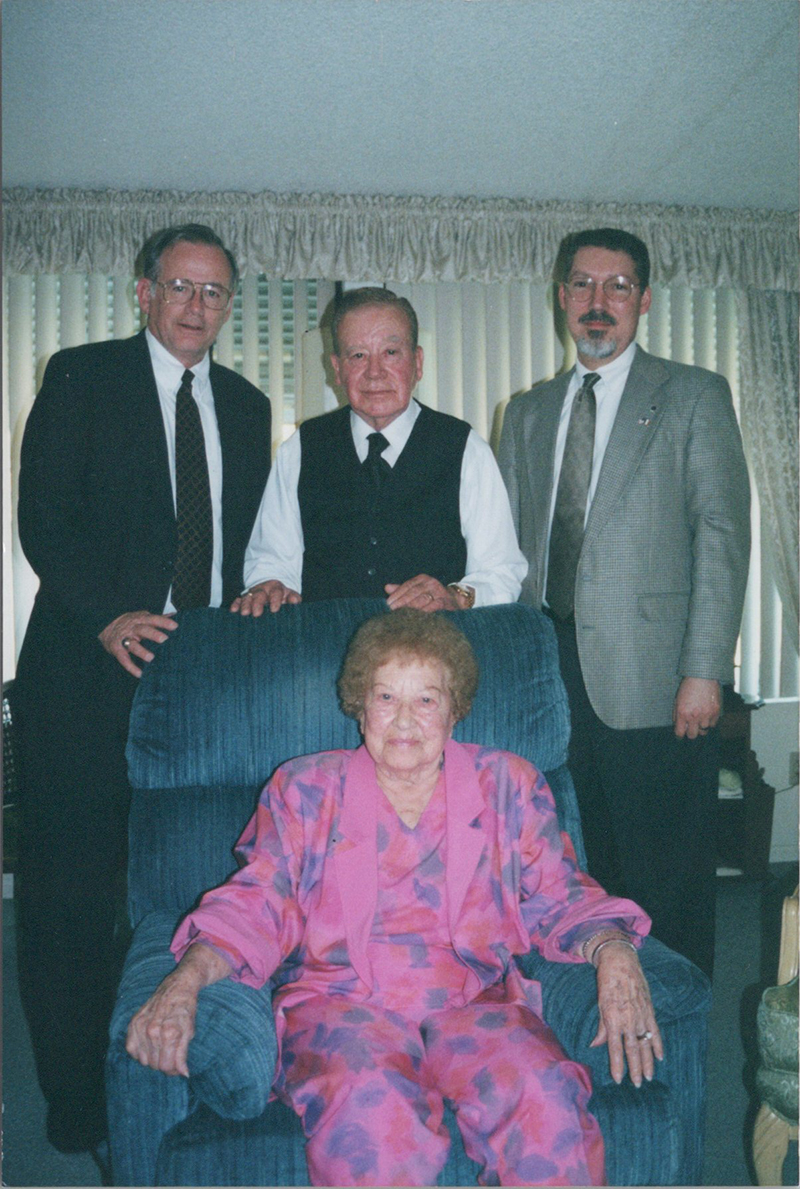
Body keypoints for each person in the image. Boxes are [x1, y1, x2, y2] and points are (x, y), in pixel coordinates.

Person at [127, 609, 660, 1187]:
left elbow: (558, 893)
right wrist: (185, 979)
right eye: (385, 697)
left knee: (545, 1101)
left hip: (474, 1003)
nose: (405, 719)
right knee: (372, 1124)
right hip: (341, 1005)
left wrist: (613, 950)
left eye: (427, 700)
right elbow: (260, 901)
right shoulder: (305, 789)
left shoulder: (508, 784)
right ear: (360, 706)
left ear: (455, 709)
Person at [12, 223, 271, 1152]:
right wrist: (109, 613)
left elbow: (247, 545)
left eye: (215, 293)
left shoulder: (245, 404)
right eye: (181, 287)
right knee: (70, 893)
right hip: (87, 670)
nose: (198, 307)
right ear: (142, 292)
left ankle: (176, 1065)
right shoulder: (80, 376)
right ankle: (76, 1101)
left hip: (194, 684)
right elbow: (42, 515)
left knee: (186, 888)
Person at [498, 227, 751, 977]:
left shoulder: (694, 394)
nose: (597, 302)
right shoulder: (528, 411)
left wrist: (704, 669)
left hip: (658, 679)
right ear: (561, 297)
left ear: (643, 299)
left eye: (616, 286)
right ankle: (597, 1016)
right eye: (581, 284)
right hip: (551, 673)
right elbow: (511, 550)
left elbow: (723, 534)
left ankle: (675, 1024)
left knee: (667, 872)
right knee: (575, 863)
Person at [232, 286, 526, 617]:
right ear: (337, 369)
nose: (374, 372)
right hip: (328, 652)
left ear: (417, 362)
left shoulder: (464, 448)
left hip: (432, 654)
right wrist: (270, 585)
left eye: (390, 352)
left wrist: (457, 596)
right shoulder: (300, 448)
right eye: (358, 355)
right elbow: (271, 562)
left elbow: (501, 571)